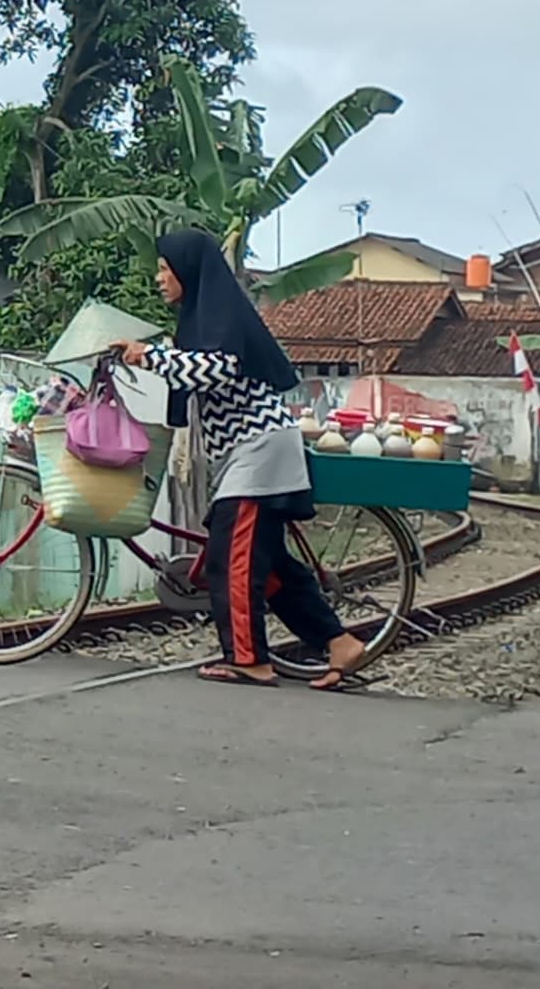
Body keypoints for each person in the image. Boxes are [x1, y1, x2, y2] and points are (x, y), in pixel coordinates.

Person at [113, 228, 369, 687]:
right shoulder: (203, 316)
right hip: (247, 452)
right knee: (266, 566)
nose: (158, 278)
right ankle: (338, 643)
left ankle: (249, 660)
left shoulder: (221, 315)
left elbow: (218, 367)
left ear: (188, 270)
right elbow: (194, 366)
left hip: (259, 449)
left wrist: (151, 358)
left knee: (230, 560)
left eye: (165, 269)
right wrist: (148, 356)